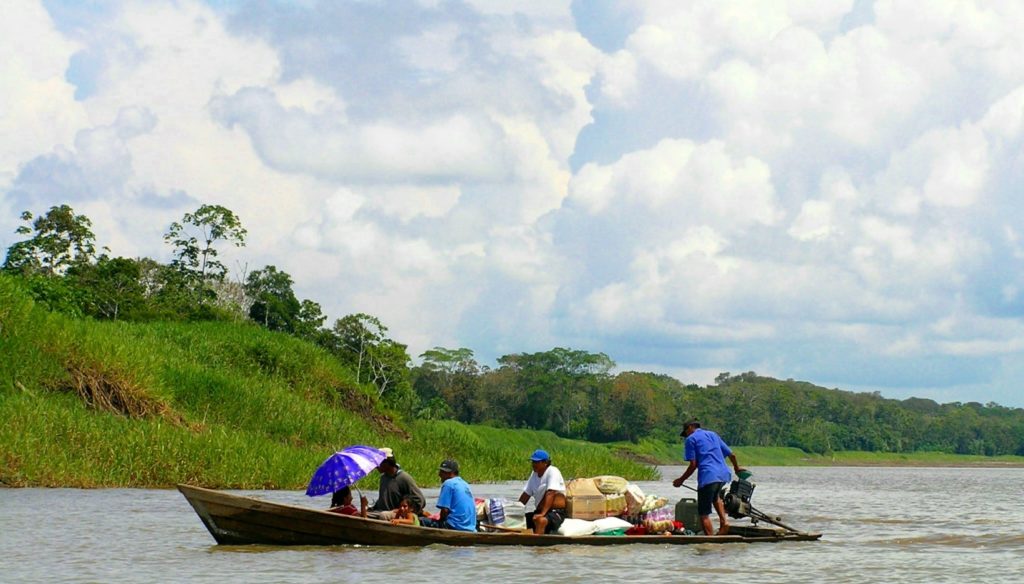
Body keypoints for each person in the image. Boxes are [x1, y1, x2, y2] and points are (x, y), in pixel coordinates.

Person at [672, 418, 745, 535]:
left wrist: (681, 480)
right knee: (716, 497)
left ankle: (710, 539)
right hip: (723, 474)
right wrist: (737, 468)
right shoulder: (713, 435)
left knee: (703, 513)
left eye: (685, 432)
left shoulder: (691, 439)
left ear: (690, 427)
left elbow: (693, 465)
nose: (686, 436)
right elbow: (732, 455)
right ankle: (724, 522)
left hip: (708, 476)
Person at [369, 447, 426, 521]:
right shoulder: (383, 478)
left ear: (387, 463)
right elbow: (383, 500)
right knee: (359, 513)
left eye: (378, 463)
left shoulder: (403, 477)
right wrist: (371, 508)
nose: (376, 466)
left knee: (384, 515)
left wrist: (403, 510)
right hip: (381, 511)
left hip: (396, 514)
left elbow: (420, 500)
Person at [518, 449, 566, 535]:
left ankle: (537, 545)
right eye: (533, 462)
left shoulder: (553, 471)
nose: (533, 464)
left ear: (545, 463)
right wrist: (515, 510)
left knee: (540, 520)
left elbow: (550, 493)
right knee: (519, 519)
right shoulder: (534, 474)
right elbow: (526, 494)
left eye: (536, 462)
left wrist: (543, 513)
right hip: (539, 511)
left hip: (555, 512)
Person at [420, 459, 476, 531]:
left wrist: (440, 525)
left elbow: (445, 510)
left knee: (420, 521)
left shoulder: (448, 483)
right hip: (469, 527)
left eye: (443, 472)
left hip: (454, 526)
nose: (439, 474)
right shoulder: (465, 484)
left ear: (451, 473)